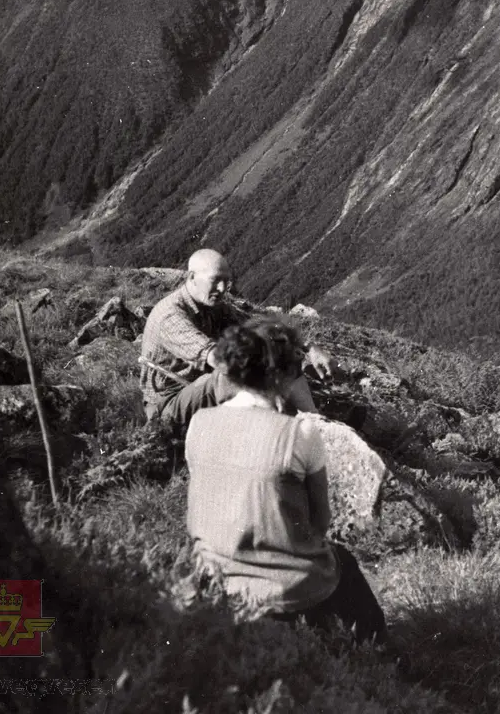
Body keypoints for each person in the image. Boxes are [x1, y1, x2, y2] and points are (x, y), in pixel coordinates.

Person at [185, 320, 388, 644]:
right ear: (281, 375)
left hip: (215, 578)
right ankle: (377, 657)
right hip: (282, 591)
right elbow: (320, 520)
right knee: (343, 563)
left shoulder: (200, 423)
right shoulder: (301, 432)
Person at [139, 248, 333, 428]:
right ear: (192, 277)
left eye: (226, 281)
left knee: (281, 349)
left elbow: (261, 328)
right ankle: (285, 427)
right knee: (229, 375)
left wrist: (307, 347)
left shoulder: (213, 305)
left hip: (199, 390)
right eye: (215, 280)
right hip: (168, 405)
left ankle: (314, 422)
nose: (223, 288)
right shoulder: (170, 315)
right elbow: (217, 359)